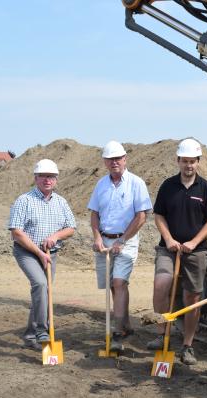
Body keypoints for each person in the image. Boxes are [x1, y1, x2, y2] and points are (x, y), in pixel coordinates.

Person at [148, 138, 207, 366]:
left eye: (193, 161)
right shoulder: (168, 186)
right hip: (169, 248)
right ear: (178, 161)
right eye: (185, 161)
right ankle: (162, 333)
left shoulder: (206, 188)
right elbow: (159, 215)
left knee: (192, 297)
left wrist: (194, 241)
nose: (189, 165)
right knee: (161, 284)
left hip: (196, 251)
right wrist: (168, 239)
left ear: (198, 162)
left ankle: (188, 345)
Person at [87, 141, 153, 351]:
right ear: (105, 162)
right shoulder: (101, 185)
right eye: (110, 159)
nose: (114, 162)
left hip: (127, 241)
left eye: (118, 158)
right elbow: (94, 213)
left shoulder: (136, 183)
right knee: (114, 286)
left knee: (118, 281)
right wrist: (97, 237)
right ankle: (125, 325)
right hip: (105, 241)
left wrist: (122, 240)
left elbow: (141, 216)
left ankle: (117, 333)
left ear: (125, 159)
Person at [8, 159, 76, 351]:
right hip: (28, 252)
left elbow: (71, 228)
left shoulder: (61, 202)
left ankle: (30, 336)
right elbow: (17, 232)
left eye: (51, 176)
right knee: (40, 284)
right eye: (44, 176)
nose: (48, 180)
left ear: (56, 180)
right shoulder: (24, 200)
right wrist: (38, 252)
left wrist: (55, 236)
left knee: (44, 293)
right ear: (36, 178)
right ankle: (42, 331)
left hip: (50, 253)